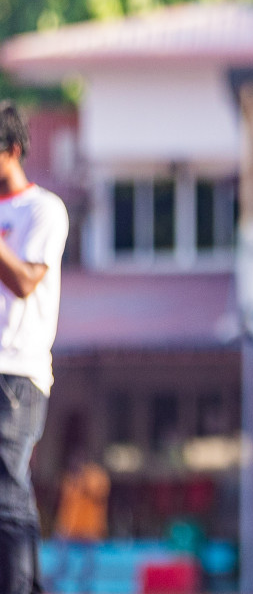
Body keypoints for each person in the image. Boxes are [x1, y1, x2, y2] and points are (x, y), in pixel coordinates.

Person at [0, 103, 69, 594]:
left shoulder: (43, 209)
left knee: (6, 492)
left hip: (16, 373)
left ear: (13, 150)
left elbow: (25, 281)